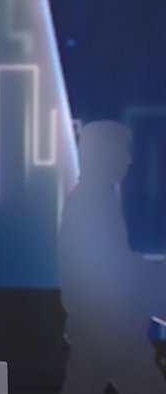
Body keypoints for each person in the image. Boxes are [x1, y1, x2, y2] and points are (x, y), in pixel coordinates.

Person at [58, 121, 166, 393]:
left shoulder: (91, 200)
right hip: (111, 331)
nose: (129, 160)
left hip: (100, 330)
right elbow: (111, 271)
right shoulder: (93, 203)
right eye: (122, 150)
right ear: (103, 154)